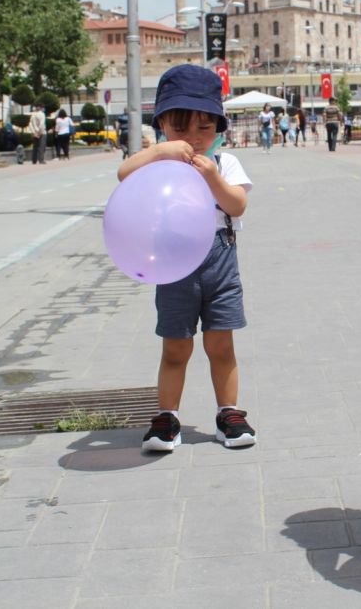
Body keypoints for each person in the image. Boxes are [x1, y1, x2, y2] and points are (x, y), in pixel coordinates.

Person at [117, 64, 256, 452]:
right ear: (162, 124)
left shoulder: (225, 164)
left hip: (220, 264)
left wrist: (212, 177)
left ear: (219, 128)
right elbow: (124, 174)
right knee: (176, 347)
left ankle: (229, 413)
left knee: (221, 344)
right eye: (180, 128)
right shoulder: (156, 164)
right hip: (173, 264)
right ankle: (167, 417)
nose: (193, 139)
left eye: (204, 128)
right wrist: (158, 152)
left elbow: (237, 205)